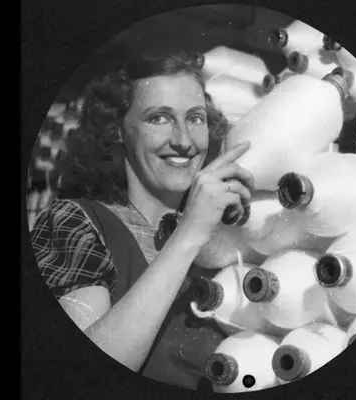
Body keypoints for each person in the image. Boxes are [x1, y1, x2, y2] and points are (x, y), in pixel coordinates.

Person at [30, 49, 256, 391]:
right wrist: (188, 235)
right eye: (159, 118)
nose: (183, 141)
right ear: (117, 130)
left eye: (195, 119)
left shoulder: (221, 240)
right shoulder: (76, 222)